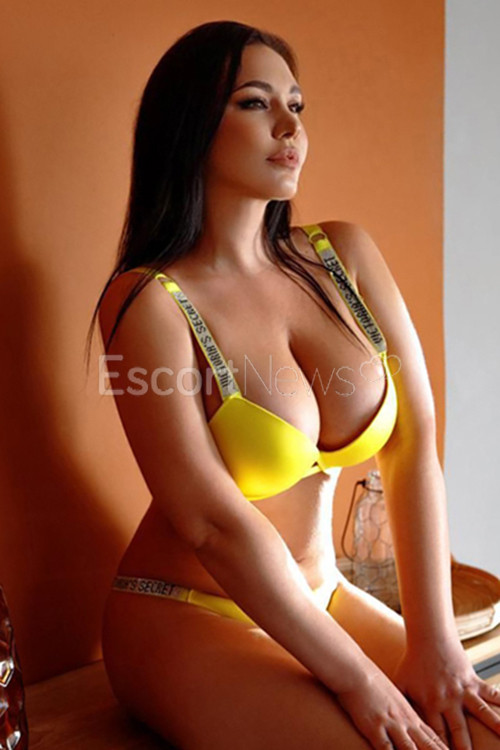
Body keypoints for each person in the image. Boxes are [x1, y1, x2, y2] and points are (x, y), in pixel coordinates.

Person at [86, 20, 500, 750]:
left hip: (323, 597)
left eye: (296, 105)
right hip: (184, 612)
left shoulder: (344, 255)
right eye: (255, 103)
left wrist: (435, 645)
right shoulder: (147, 300)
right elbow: (210, 523)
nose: (289, 126)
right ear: (191, 126)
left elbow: (412, 445)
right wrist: (360, 679)